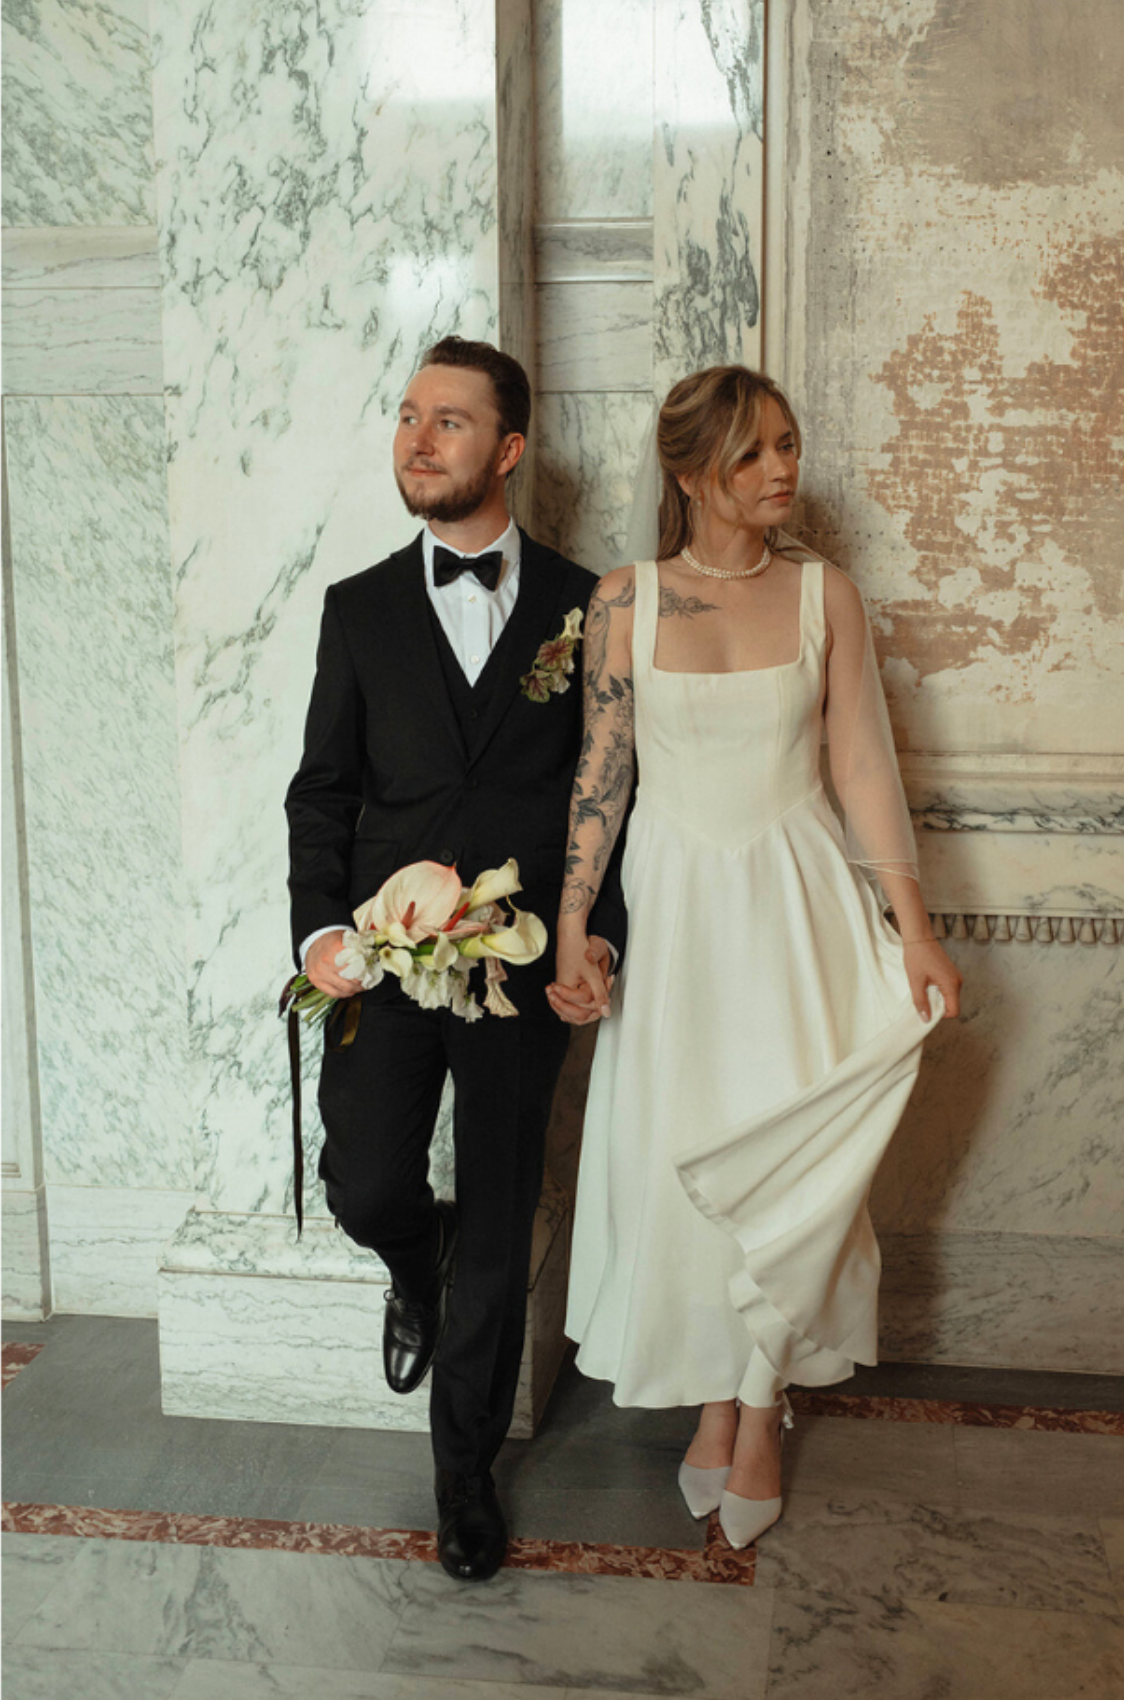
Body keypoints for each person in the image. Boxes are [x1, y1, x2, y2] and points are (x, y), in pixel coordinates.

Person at [548, 365, 962, 1550]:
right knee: (687, 1148)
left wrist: (915, 927)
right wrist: (573, 921)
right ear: (689, 474)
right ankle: (715, 1395)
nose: (783, 468)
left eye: (788, 443)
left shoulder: (827, 595)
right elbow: (603, 770)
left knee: (786, 1161)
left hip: (796, 907)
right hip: (678, 914)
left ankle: (760, 1397)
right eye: (752, 452)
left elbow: (862, 766)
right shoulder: (626, 600)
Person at [285, 336, 625, 1582]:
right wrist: (323, 933)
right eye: (407, 416)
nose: (418, 440)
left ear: (510, 448)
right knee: (367, 1181)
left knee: (498, 1214)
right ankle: (407, 1259)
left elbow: (610, 794)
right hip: (384, 961)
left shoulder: (587, 606)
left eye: (451, 421)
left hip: (524, 965)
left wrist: (599, 936)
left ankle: (464, 1474)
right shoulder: (358, 607)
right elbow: (322, 791)